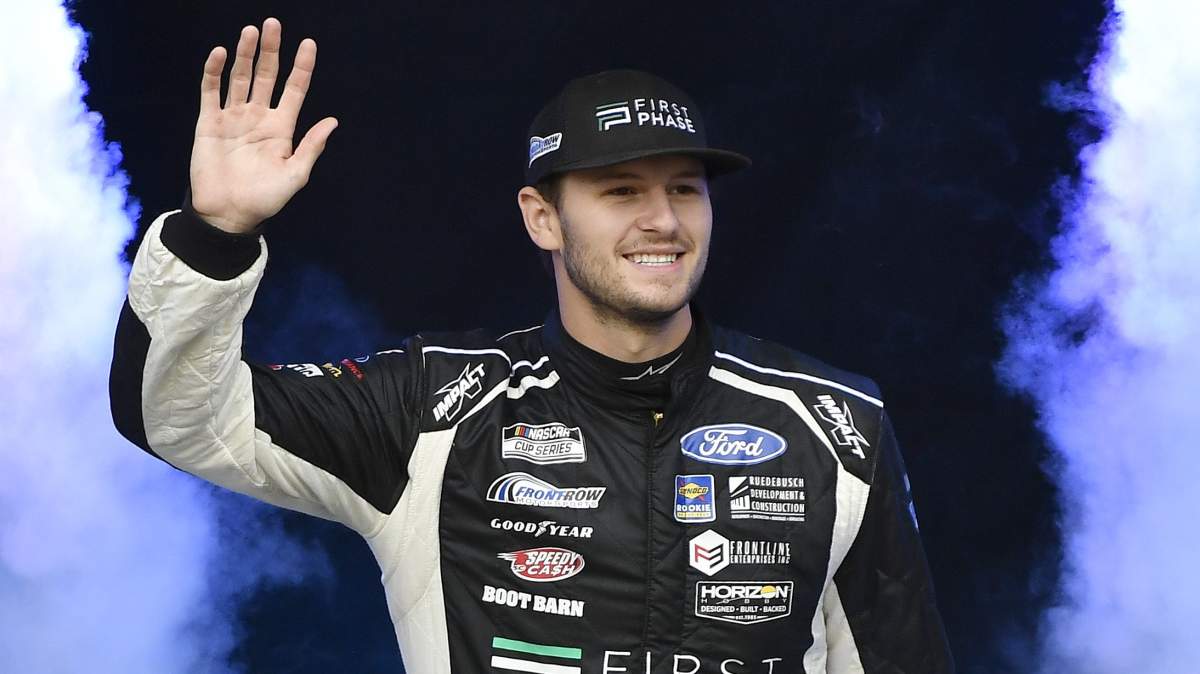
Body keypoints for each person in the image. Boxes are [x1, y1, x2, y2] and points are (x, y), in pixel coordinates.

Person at [109, 16, 954, 674]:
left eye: (685, 190)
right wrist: (214, 233)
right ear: (541, 218)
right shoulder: (431, 411)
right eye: (621, 190)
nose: (662, 220)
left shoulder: (836, 425)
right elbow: (180, 418)